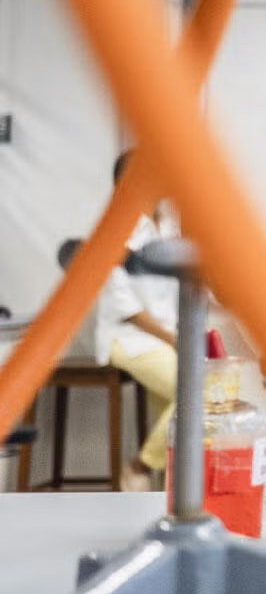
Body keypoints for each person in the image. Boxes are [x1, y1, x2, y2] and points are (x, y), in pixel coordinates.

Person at [97, 149, 179, 491]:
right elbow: (126, 306)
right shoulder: (117, 229)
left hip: (166, 338)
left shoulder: (168, 225)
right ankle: (139, 467)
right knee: (197, 389)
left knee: (182, 408)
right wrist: (174, 339)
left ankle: (171, 488)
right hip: (128, 337)